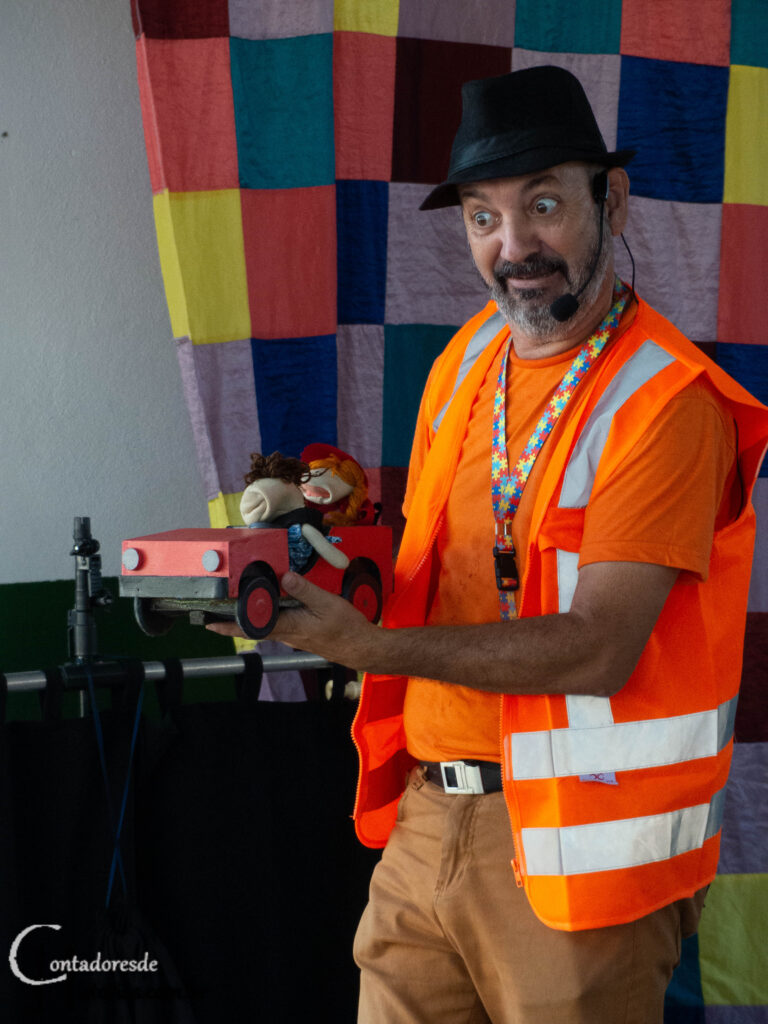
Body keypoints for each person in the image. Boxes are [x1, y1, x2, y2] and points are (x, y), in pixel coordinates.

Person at [210, 66, 768, 1023]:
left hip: (581, 852)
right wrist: (302, 563)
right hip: (427, 825)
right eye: (482, 217)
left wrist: (373, 649)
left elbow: (599, 646)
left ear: (613, 200)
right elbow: (443, 571)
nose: (514, 247)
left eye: (544, 204)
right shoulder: (465, 363)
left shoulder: (667, 405)